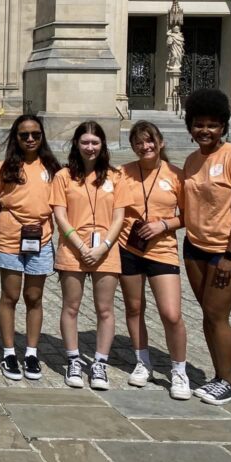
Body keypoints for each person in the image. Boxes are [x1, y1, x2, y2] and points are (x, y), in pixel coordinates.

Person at [181, 88, 231, 406]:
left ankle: (228, 381)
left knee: (216, 312)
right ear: (190, 126)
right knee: (208, 313)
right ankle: (217, 377)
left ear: (224, 127)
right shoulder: (191, 160)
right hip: (196, 246)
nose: (205, 130)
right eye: (199, 124)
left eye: (212, 125)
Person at [51, 121, 132, 391]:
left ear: (103, 145)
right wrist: (79, 244)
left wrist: (103, 245)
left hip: (105, 250)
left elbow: (120, 216)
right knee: (71, 307)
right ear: (76, 143)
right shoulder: (64, 176)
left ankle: (99, 363)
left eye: (95, 142)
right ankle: (74, 359)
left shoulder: (115, 176)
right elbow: (60, 214)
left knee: (105, 309)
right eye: (85, 142)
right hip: (73, 249)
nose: (90, 147)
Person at [117, 120, 191, 400]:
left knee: (171, 314)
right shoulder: (122, 173)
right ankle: (142, 361)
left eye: (149, 141)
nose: (145, 146)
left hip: (162, 250)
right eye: (138, 142)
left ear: (160, 143)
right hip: (129, 249)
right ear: (133, 146)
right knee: (134, 308)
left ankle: (179, 370)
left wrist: (165, 224)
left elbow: (189, 215)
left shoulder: (176, 175)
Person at [0, 114, 60, 382]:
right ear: (15, 138)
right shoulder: (4, 168)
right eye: (24, 135)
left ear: (42, 137)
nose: (30, 139)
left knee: (34, 297)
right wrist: (13, 221)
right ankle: (9, 352)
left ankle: (31, 352)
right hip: (9, 240)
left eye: (35, 135)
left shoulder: (52, 168)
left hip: (41, 239)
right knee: (10, 295)